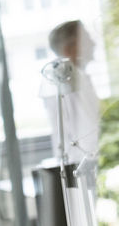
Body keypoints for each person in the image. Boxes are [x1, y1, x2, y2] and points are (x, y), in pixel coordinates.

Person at [43, 20, 100, 163]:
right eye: (87, 39)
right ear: (70, 48)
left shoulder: (78, 79)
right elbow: (88, 130)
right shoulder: (64, 81)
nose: (93, 43)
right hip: (81, 163)